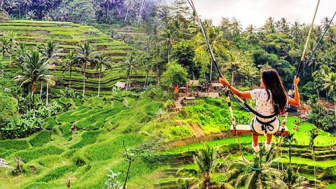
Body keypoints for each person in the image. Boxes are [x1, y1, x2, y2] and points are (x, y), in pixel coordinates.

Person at [220, 69, 300, 152]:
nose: (260, 80)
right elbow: (297, 102)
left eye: (262, 78)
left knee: (254, 130)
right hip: (273, 127)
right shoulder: (280, 95)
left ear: (266, 80)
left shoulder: (258, 92)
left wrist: (227, 84)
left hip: (257, 126)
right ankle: (268, 144)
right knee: (270, 127)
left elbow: (240, 94)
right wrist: (295, 85)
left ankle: (255, 145)